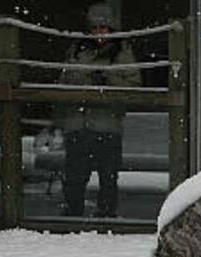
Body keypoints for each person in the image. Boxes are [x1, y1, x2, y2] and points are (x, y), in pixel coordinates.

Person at [56, 4, 141, 217]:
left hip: (107, 124)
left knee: (108, 175)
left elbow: (133, 86)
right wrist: (85, 80)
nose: (98, 33)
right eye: (94, 28)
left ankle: (106, 214)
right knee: (75, 174)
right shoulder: (77, 49)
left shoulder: (122, 51)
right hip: (78, 123)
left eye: (103, 28)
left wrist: (107, 79)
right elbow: (63, 81)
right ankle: (73, 213)